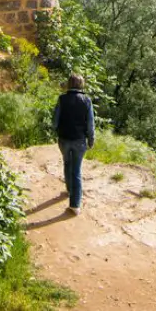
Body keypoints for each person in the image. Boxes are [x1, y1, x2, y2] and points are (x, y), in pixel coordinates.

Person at [52, 73, 95, 215]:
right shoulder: (87, 100)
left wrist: (57, 131)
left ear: (69, 84)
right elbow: (90, 124)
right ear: (81, 84)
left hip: (64, 139)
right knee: (76, 170)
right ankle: (75, 204)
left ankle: (70, 190)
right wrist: (91, 140)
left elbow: (55, 121)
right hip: (80, 140)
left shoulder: (62, 99)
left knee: (67, 164)